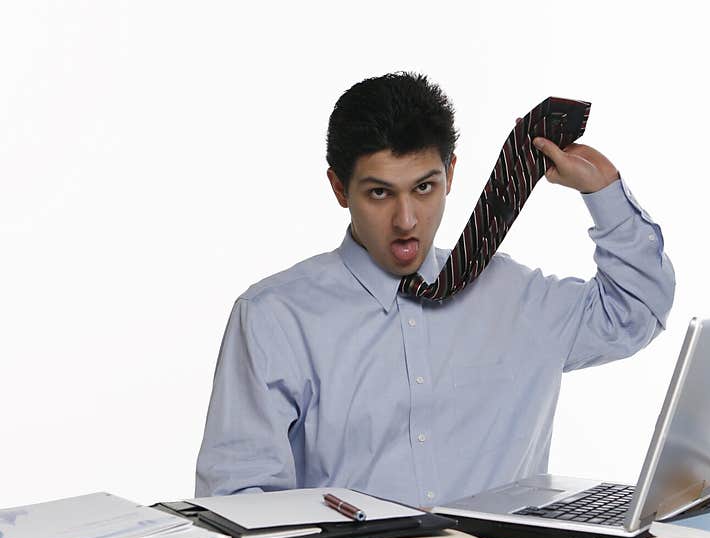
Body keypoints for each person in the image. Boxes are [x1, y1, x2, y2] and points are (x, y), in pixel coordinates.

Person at [195, 71, 675, 507]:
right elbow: (237, 497)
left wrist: (604, 193)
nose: (406, 221)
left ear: (451, 174)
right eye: (380, 192)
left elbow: (636, 311)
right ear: (339, 189)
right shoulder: (275, 317)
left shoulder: (513, 296)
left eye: (425, 188)